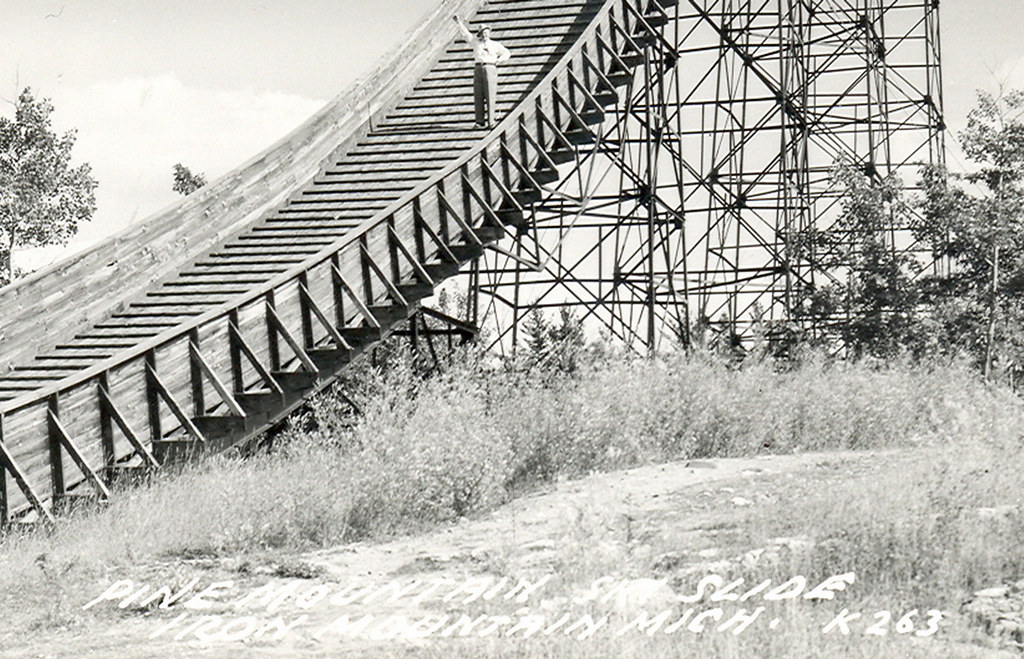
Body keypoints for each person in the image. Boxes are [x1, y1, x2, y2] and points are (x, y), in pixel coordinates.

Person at [453, 16, 511, 129]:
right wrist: (458, 22)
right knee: (478, 94)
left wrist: (498, 60)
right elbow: (466, 34)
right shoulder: (476, 42)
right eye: (483, 32)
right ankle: (479, 121)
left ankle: (491, 121)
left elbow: (507, 53)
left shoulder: (495, 44)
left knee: (490, 93)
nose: (485, 34)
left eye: (486, 32)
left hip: (490, 67)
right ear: (479, 33)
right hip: (478, 67)